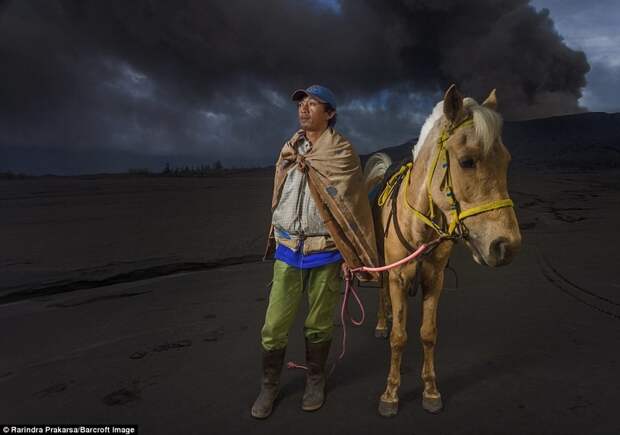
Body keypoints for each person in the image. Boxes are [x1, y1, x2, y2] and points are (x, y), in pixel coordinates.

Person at [251, 85, 380, 419]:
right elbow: (281, 191)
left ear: (331, 113)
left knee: (319, 323)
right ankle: (269, 386)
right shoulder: (292, 147)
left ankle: (315, 380)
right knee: (274, 323)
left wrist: (351, 256)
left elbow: (352, 208)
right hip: (288, 249)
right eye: (301, 104)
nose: (304, 109)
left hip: (325, 252)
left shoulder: (341, 152)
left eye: (313, 104)